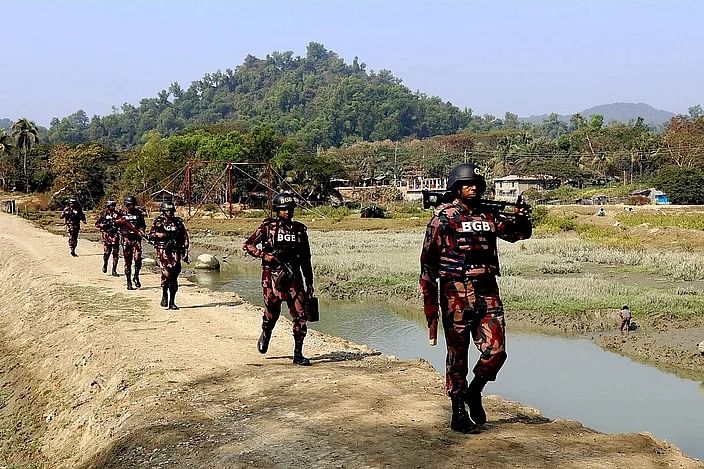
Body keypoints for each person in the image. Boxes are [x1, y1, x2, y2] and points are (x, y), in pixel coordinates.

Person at [419, 163, 532, 434]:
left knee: (497, 350)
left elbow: (518, 234)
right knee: (457, 355)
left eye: (476, 184)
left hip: (487, 290)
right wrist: (430, 304)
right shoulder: (442, 218)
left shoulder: (489, 215)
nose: (473, 188)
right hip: (454, 293)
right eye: (467, 184)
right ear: (456, 188)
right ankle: (458, 411)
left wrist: (523, 217)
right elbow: (427, 264)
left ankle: (474, 391)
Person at [242, 191, 315, 366]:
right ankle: (266, 333)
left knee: (301, 315)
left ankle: (298, 354)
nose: (287, 212)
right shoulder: (267, 227)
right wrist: (263, 255)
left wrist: (309, 282)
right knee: (272, 314)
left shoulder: (299, 230)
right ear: (277, 210)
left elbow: (306, 258)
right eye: (283, 209)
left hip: (294, 277)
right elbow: (248, 244)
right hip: (272, 277)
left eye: (290, 209)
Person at [148, 201, 189, 309]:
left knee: (174, 275)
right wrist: (160, 235)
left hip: (176, 250)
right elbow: (150, 235)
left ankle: (172, 302)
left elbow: (184, 236)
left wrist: (185, 250)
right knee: (166, 276)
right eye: (167, 211)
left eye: (171, 211)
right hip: (162, 250)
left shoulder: (178, 222)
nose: (170, 213)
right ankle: (164, 294)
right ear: (163, 212)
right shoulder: (158, 222)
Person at [117, 195, 147, 290]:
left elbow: (142, 224)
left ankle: (136, 276)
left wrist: (141, 230)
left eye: (133, 204)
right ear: (127, 204)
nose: (132, 206)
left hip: (136, 238)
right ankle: (128, 282)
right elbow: (114, 223)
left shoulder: (138, 213)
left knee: (138, 258)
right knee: (128, 261)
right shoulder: (121, 213)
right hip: (126, 239)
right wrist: (119, 222)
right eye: (130, 205)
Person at [95, 199, 121, 276]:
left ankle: (114, 270)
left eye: (114, 206)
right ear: (108, 206)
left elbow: (122, 223)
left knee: (115, 253)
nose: (113, 207)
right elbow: (97, 224)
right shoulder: (103, 214)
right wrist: (102, 225)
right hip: (106, 234)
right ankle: (105, 263)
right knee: (107, 252)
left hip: (115, 234)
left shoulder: (117, 214)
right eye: (111, 206)